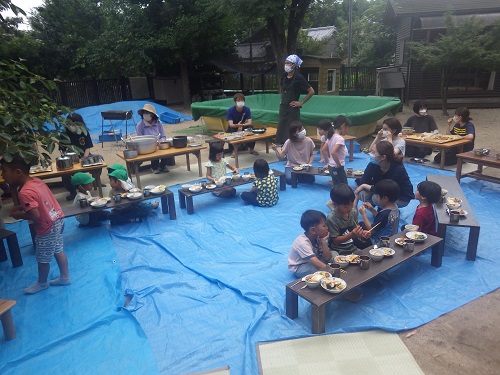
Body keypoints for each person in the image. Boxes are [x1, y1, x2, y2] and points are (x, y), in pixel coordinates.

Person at [1, 154, 70, 294]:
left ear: (18, 172)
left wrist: (18, 215)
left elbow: (36, 217)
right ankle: (65, 277)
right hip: (57, 219)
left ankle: (42, 283)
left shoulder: (24, 192)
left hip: (47, 227)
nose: (2, 175)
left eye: (4, 171)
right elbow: (38, 199)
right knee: (58, 249)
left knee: (43, 257)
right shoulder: (37, 181)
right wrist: (22, 207)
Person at [355, 141, 414, 208]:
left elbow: (385, 190)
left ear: (383, 157)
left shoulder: (398, 170)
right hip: (383, 193)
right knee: (362, 193)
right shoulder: (373, 164)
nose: (371, 154)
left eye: (374, 152)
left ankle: (389, 212)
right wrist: (355, 205)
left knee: (376, 198)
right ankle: (378, 209)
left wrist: (364, 186)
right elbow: (363, 181)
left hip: (400, 197)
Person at [276, 54, 315, 144]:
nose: (286, 65)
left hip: (292, 109)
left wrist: (301, 103)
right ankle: (284, 148)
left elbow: (311, 91)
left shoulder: (299, 78)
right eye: (285, 63)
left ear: (294, 65)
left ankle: (294, 148)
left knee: (292, 130)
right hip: (283, 107)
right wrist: (282, 99)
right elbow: (283, 89)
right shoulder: (284, 76)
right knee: (282, 129)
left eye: (288, 63)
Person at [60, 113, 98, 201]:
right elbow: (62, 150)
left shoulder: (84, 132)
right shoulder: (64, 134)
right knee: (64, 173)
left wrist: (84, 158)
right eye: (70, 124)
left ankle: (95, 182)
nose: (72, 126)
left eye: (75, 124)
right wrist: (68, 159)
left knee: (99, 159)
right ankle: (73, 191)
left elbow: (88, 147)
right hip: (69, 158)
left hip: (85, 156)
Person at [326, 183, 371, 255]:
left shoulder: (353, 213)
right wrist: (352, 234)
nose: (350, 207)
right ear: (335, 204)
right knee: (336, 260)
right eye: (346, 206)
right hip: (337, 250)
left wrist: (363, 234)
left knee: (365, 256)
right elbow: (336, 240)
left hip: (351, 247)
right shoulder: (331, 219)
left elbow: (356, 230)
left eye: (352, 203)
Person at [288, 210, 333, 278]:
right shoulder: (302, 243)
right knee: (316, 270)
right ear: (313, 230)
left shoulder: (318, 237)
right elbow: (316, 262)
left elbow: (327, 258)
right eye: (324, 226)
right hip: (301, 266)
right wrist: (331, 270)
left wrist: (323, 241)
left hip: (315, 260)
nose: (327, 228)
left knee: (334, 254)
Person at [357, 179, 400, 248]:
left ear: (385, 198)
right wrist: (372, 209)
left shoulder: (384, 214)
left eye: (378, 196)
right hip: (392, 237)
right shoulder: (395, 208)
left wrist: (363, 214)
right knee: (361, 224)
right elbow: (382, 221)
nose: (377, 197)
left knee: (355, 238)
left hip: (379, 243)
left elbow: (371, 229)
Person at [137, 104, 169, 174]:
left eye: (147, 113)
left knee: (167, 150)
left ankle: (163, 166)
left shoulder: (158, 123)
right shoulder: (140, 125)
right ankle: (154, 167)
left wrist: (160, 142)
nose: (145, 115)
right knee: (153, 151)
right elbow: (140, 139)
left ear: (152, 115)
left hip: (159, 144)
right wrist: (150, 143)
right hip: (147, 146)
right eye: (144, 113)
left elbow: (163, 136)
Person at [226, 93, 258, 157]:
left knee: (251, 128)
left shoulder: (247, 109)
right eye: (238, 100)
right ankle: (233, 151)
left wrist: (242, 125)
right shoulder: (230, 110)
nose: (240, 102)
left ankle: (251, 149)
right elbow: (231, 124)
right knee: (231, 130)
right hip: (234, 127)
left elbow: (249, 122)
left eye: (242, 100)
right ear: (235, 102)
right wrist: (238, 126)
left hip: (243, 126)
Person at [323, 115, 350, 186]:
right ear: (343, 126)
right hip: (337, 167)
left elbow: (323, 149)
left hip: (331, 166)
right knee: (343, 185)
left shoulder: (330, 136)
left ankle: (334, 196)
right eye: (348, 128)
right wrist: (339, 164)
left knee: (336, 184)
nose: (348, 130)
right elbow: (333, 152)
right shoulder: (340, 139)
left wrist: (329, 161)